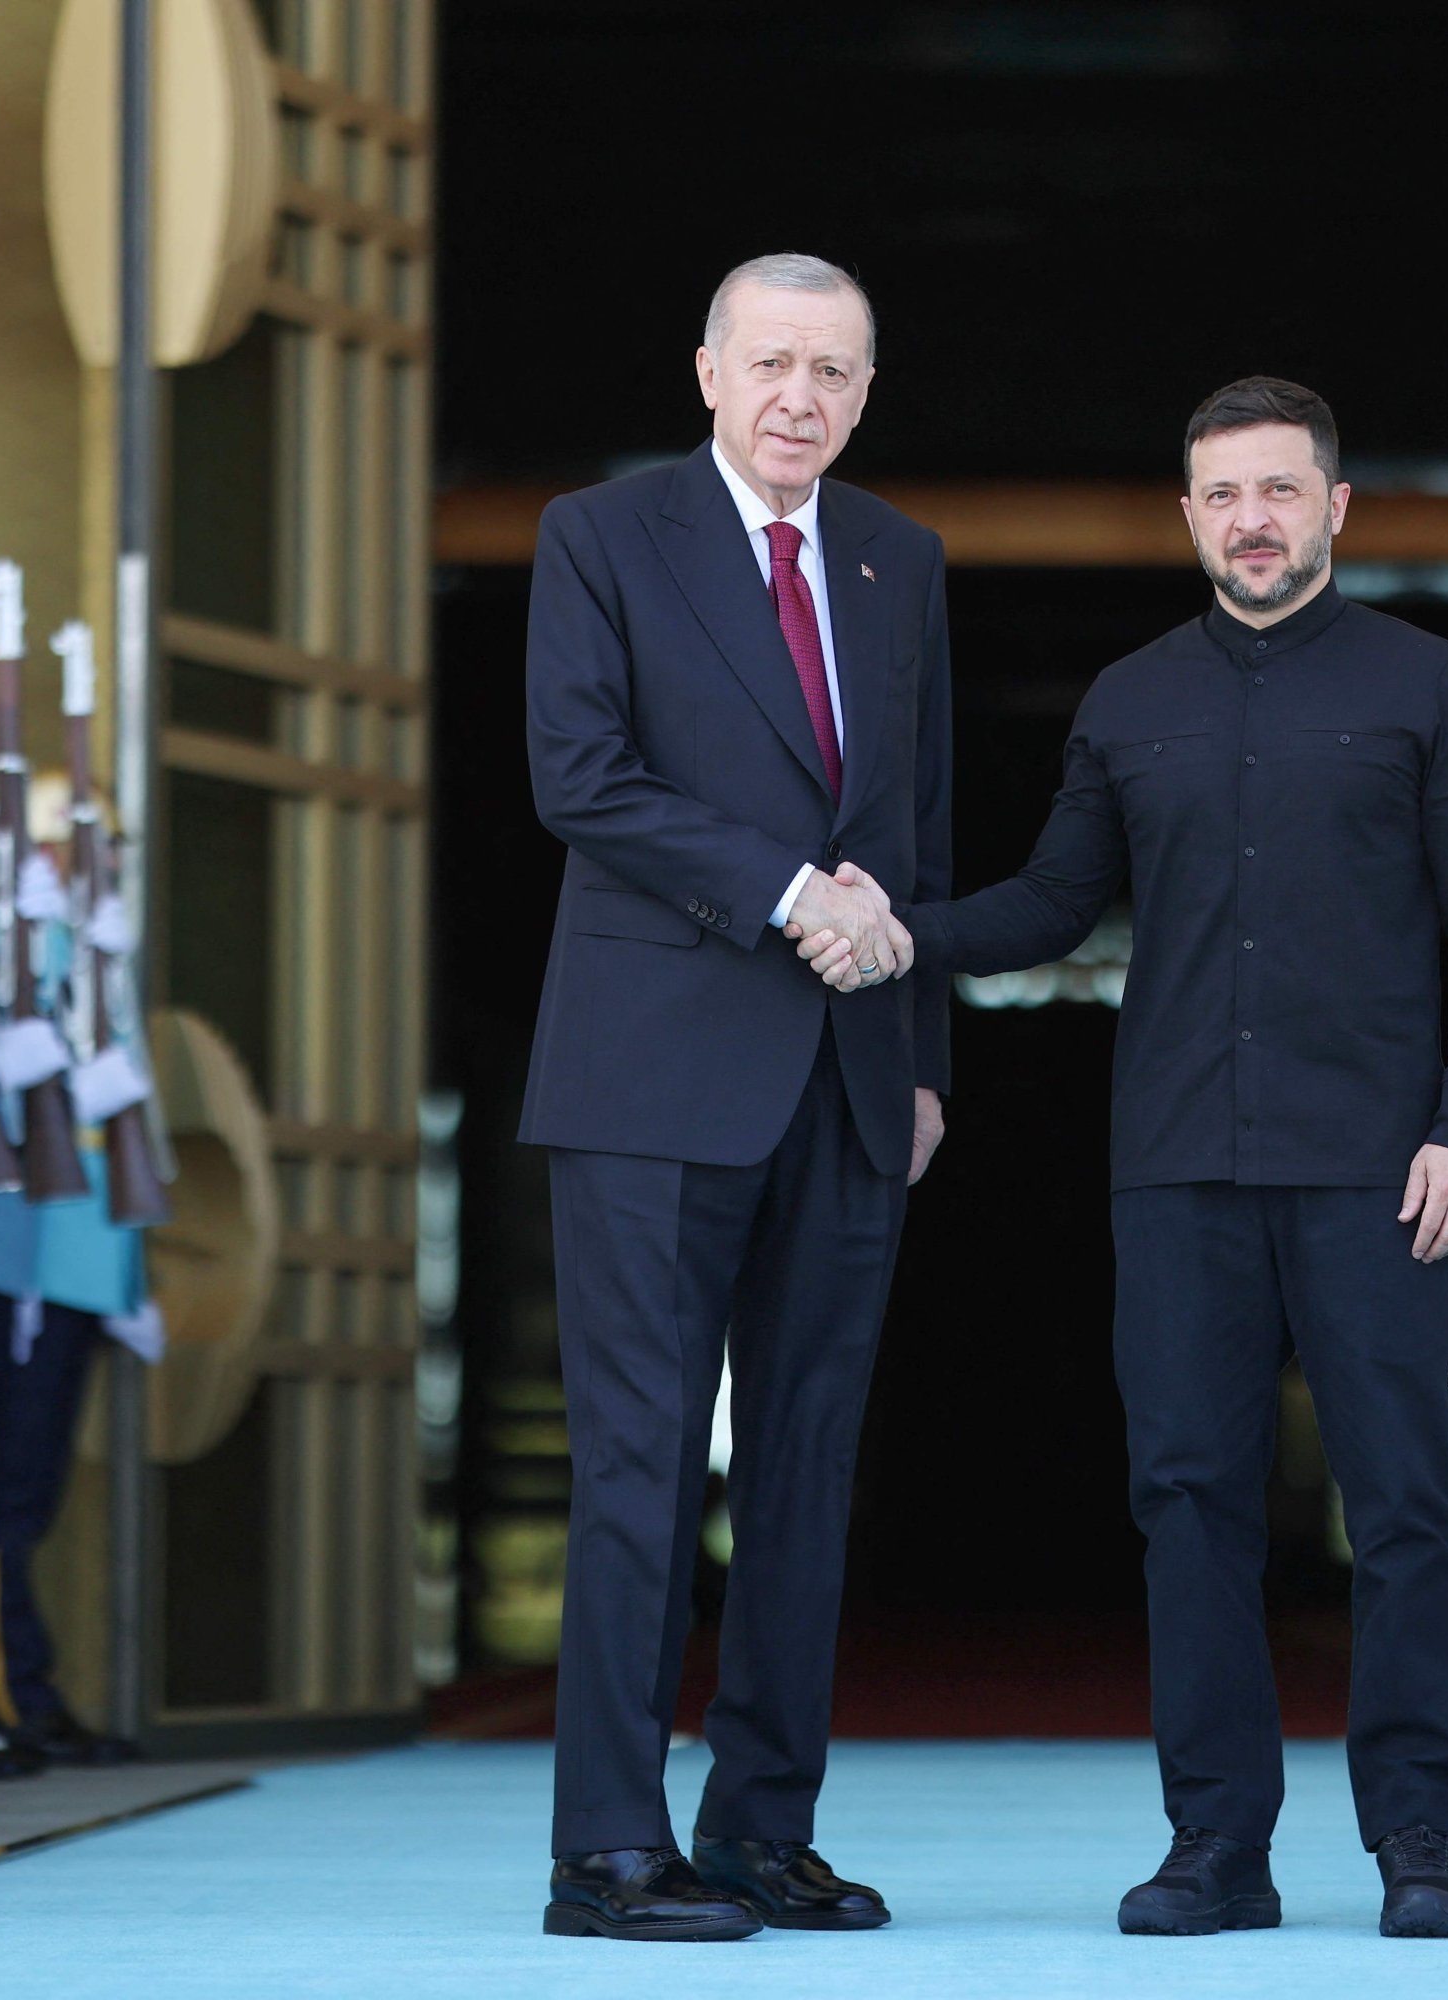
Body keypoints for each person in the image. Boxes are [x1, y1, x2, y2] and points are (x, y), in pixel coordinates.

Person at [808, 377, 1448, 1940]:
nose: (1252, 520)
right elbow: (1056, 903)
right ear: (1189, 516)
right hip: (1180, 1162)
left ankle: (1420, 1838)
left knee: (1404, 1502)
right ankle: (1217, 1846)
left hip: (1378, 1166)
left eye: (1280, 490)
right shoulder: (1131, 699)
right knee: (1188, 1499)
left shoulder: (1433, 685)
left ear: (1336, 507)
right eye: (1223, 495)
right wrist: (899, 929)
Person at [517, 252, 952, 1942]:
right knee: (639, 1464)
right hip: (651, 1072)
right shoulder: (600, 534)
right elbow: (582, 777)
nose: (799, 398)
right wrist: (786, 894)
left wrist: (922, 1059)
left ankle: (763, 1826)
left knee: (805, 1465)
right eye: (770, 363)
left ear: (866, 391)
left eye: (832, 371)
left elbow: (911, 825)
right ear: (707, 372)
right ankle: (607, 1849)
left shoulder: (897, 556)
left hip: (850, 1075)